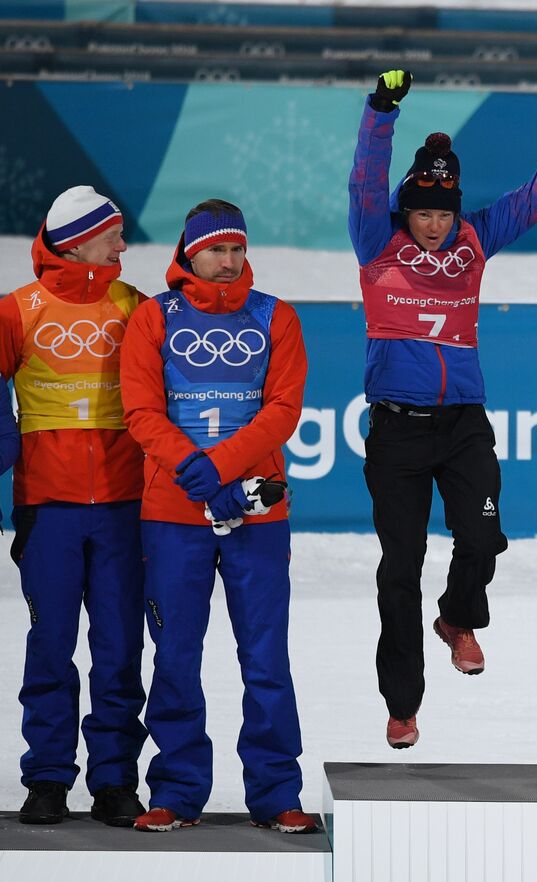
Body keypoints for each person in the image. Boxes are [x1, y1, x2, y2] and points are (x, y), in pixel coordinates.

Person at [349, 70, 537, 748]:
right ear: (404, 211)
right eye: (425, 214)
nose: (437, 226)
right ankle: (403, 705)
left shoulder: (474, 241)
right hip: (396, 432)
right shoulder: (375, 241)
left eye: (446, 214)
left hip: (465, 425)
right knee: (399, 570)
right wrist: (381, 110)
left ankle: (459, 617)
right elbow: (364, 178)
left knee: (481, 537)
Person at [119, 201, 315, 834]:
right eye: (217, 250)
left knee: (265, 657)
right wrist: (194, 471)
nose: (230, 262)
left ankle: (276, 789)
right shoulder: (153, 317)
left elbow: (283, 409)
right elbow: (142, 412)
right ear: (189, 253)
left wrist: (223, 468)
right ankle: (176, 791)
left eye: (237, 249)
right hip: (173, 514)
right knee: (175, 654)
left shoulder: (275, 316)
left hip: (256, 512)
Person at [2, 186, 146, 827]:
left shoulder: (137, 307)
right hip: (48, 507)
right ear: (82, 239)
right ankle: (49, 779)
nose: (123, 244)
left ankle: (115, 781)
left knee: (119, 649)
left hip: (124, 507)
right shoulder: (17, 310)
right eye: (114, 233)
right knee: (50, 646)